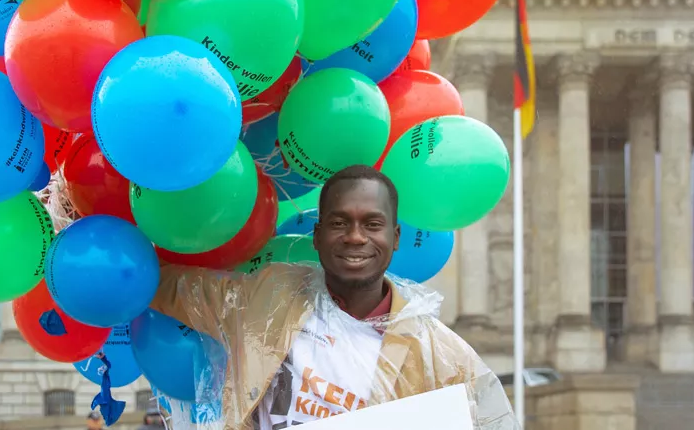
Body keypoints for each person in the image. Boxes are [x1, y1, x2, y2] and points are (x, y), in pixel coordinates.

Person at [150, 165, 518, 429]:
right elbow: (176, 289)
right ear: (317, 234)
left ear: (397, 237)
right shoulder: (268, 296)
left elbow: (492, 420)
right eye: (340, 223)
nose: (355, 237)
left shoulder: (440, 355)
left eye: (372, 224)